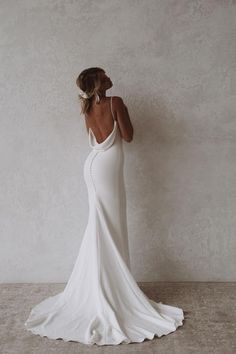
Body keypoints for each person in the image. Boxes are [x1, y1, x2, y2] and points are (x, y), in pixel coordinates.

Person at [24, 67, 184, 346]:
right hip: (108, 168)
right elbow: (129, 136)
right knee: (109, 224)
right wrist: (122, 117)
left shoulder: (86, 109)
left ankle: (102, 285)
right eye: (105, 76)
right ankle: (110, 288)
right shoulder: (115, 102)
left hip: (92, 166)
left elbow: (97, 137)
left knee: (101, 224)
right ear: (98, 83)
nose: (110, 78)